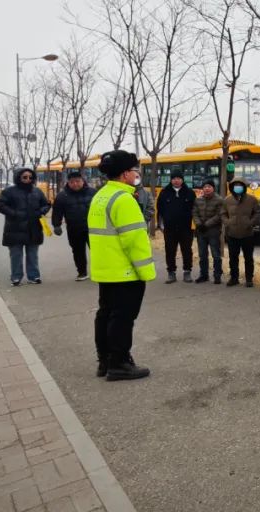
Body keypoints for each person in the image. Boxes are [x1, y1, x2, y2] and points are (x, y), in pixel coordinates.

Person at [88, 150, 156, 381]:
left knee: (105, 314)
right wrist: (146, 271)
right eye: (135, 170)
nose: (137, 174)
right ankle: (119, 363)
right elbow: (135, 241)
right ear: (126, 173)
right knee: (123, 318)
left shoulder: (100, 196)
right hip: (126, 272)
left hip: (105, 270)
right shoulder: (124, 199)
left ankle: (105, 361)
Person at [0, 167, 51, 286]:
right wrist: (14, 213)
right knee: (16, 255)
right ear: (19, 178)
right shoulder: (9, 191)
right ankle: (16, 277)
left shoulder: (37, 191)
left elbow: (46, 204)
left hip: (34, 228)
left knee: (33, 255)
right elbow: (0, 204)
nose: (28, 179)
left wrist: (40, 212)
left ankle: (34, 276)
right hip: (15, 229)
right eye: (25, 177)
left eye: (30, 177)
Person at [51, 171, 96, 281]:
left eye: (77, 181)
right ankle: (82, 273)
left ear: (82, 180)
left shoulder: (93, 192)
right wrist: (56, 225)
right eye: (72, 182)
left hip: (93, 228)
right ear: (68, 183)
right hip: (74, 228)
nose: (75, 184)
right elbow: (57, 211)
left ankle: (98, 272)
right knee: (77, 251)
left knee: (96, 251)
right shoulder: (62, 195)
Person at [156, 170, 196, 283]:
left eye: (178, 178)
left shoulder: (189, 193)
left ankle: (187, 271)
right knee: (170, 251)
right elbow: (160, 210)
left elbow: (195, 209)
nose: (176, 180)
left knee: (187, 250)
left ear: (182, 180)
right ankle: (171, 273)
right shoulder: (164, 193)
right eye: (174, 178)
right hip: (170, 229)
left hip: (186, 228)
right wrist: (161, 225)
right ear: (171, 180)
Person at [224, 177, 259, 287]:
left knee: (248, 258)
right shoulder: (227, 200)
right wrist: (227, 222)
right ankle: (234, 278)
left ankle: (249, 278)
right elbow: (222, 213)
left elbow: (257, 213)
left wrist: (251, 222)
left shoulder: (252, 199)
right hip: (232, 234)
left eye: (240, 185)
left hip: (247, 234)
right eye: (235, 185)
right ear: (232, 187)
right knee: (233, 258)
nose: (237, 187)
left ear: (244, 187)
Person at [192, 179, 225, 284]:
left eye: (209, 186)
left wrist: (206, 224)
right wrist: (198, 224)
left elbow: (219, 215)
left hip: (213, 231)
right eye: (205, 186)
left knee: (216, 254)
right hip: (200, 231)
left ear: (213, 188)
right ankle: (204, 275)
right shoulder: (198, 200)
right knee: (202, 254)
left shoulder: (219, 200)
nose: (207, 188)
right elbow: (194, 213)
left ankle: (217, 275)